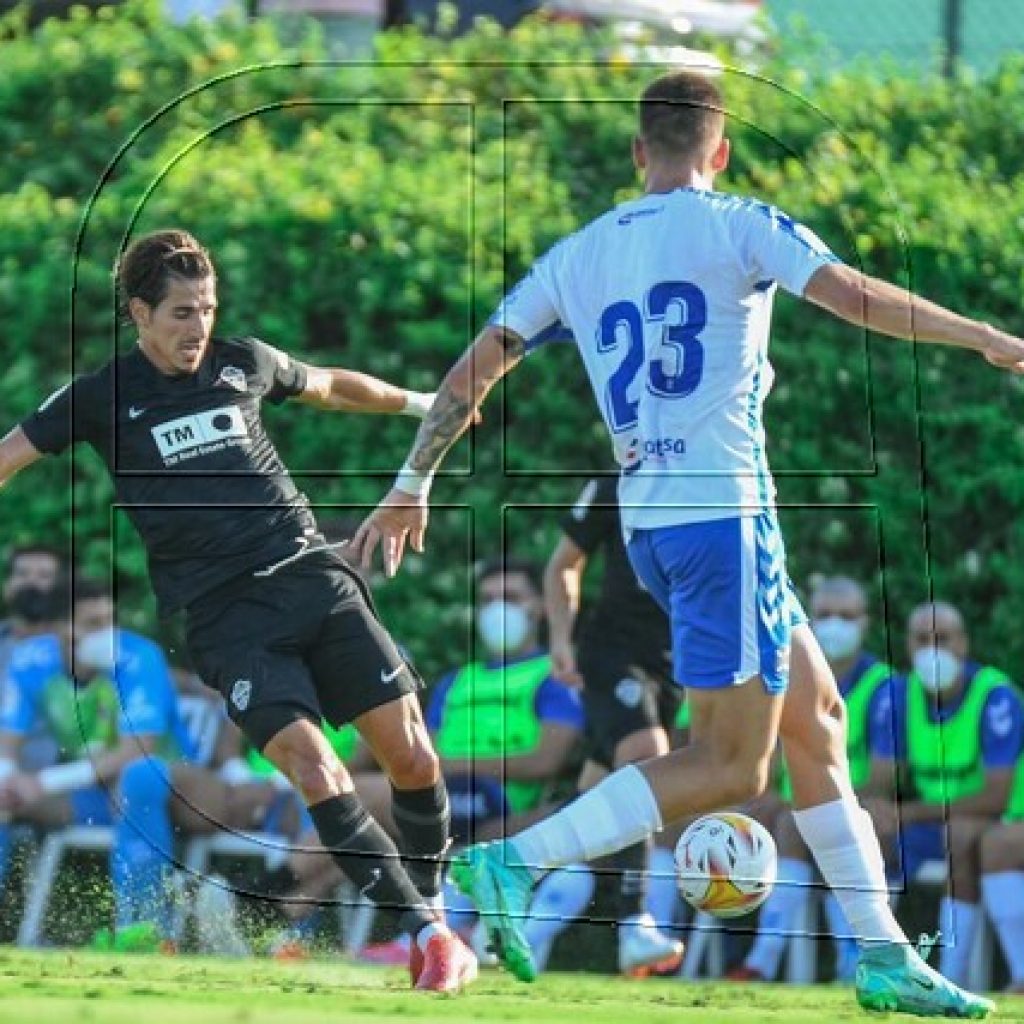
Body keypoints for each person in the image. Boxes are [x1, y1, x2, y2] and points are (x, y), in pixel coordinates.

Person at [352, 71, 1024, 1014]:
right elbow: (858, 297)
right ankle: (514, 859)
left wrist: (410, 481)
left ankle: (881, 953)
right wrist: (986, 336)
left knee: (817, 721)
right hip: (724, 521)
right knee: (731, 765)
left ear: (639, 152)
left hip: (657, 524)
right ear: (721, 151)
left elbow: (472, 373)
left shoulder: (578, 254)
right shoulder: (740, 221)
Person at [0, 229, 476, 991]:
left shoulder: (240, 361)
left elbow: (330, 384)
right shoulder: (100, 397)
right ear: (139, 314)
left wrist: (424, 405)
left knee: (414, 754)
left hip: (312, 577)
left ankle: (437, 913)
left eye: (208, 310)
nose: (199, 329)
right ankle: (429, 935)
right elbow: (7, 457)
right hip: (226, 619)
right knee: (316, 769)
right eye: (182, 313)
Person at [0, 578, 196, 940]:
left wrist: (41, 783)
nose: (108, 633)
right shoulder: (31, 660)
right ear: (59, 628)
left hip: (167, 788)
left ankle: (146, 932)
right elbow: (6, 743)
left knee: (140, 776)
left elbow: (137, 748)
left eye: (110, 620)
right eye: (93, 624)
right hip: (91, 795)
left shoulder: (139, 656)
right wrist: (9, 780)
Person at [544, 476, 684, 976]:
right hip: (610, 655)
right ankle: (634, 922)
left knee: (594, 799)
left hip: (674, 666)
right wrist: (561, 639)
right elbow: (564, 563)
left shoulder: (719, 476)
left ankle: (505, 898)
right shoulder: (614, 482)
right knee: (647, 757)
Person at [428, 556, 592, 972]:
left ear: (538, 606)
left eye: (510, 597)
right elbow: (419, 761)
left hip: (507, 808)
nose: (496, 609)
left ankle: (465, 940)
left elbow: (545, 760)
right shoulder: (456, 681)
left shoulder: (553, 675)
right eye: (487, 600)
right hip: (441, 803)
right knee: (360, 800)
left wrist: (457, 765)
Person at [729, 576, 894, 984]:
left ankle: (844, 962)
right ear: (809, 619)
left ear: (866, 622)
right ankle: (763, 962)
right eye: (824, 615)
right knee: (766, 821)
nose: (834, 624)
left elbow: (884, 778)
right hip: (798, 812)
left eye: (847, 616)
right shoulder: (785, 673)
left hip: (857, 810)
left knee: (825, 824)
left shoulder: (885, 686)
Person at [866, 601, 1024, 989]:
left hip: (1005, 820)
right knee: (871, 833)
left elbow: (996, 797)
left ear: (964, 644)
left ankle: (955, 978)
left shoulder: (995, 697)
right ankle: (863, 966)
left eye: (942, 638)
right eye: (921, 639)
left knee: (967, 836)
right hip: (941, 826)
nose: (931, 649)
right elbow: (879, 784)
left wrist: (907, 813)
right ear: (906, 645)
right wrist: (879, 810)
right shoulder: (898, 695)